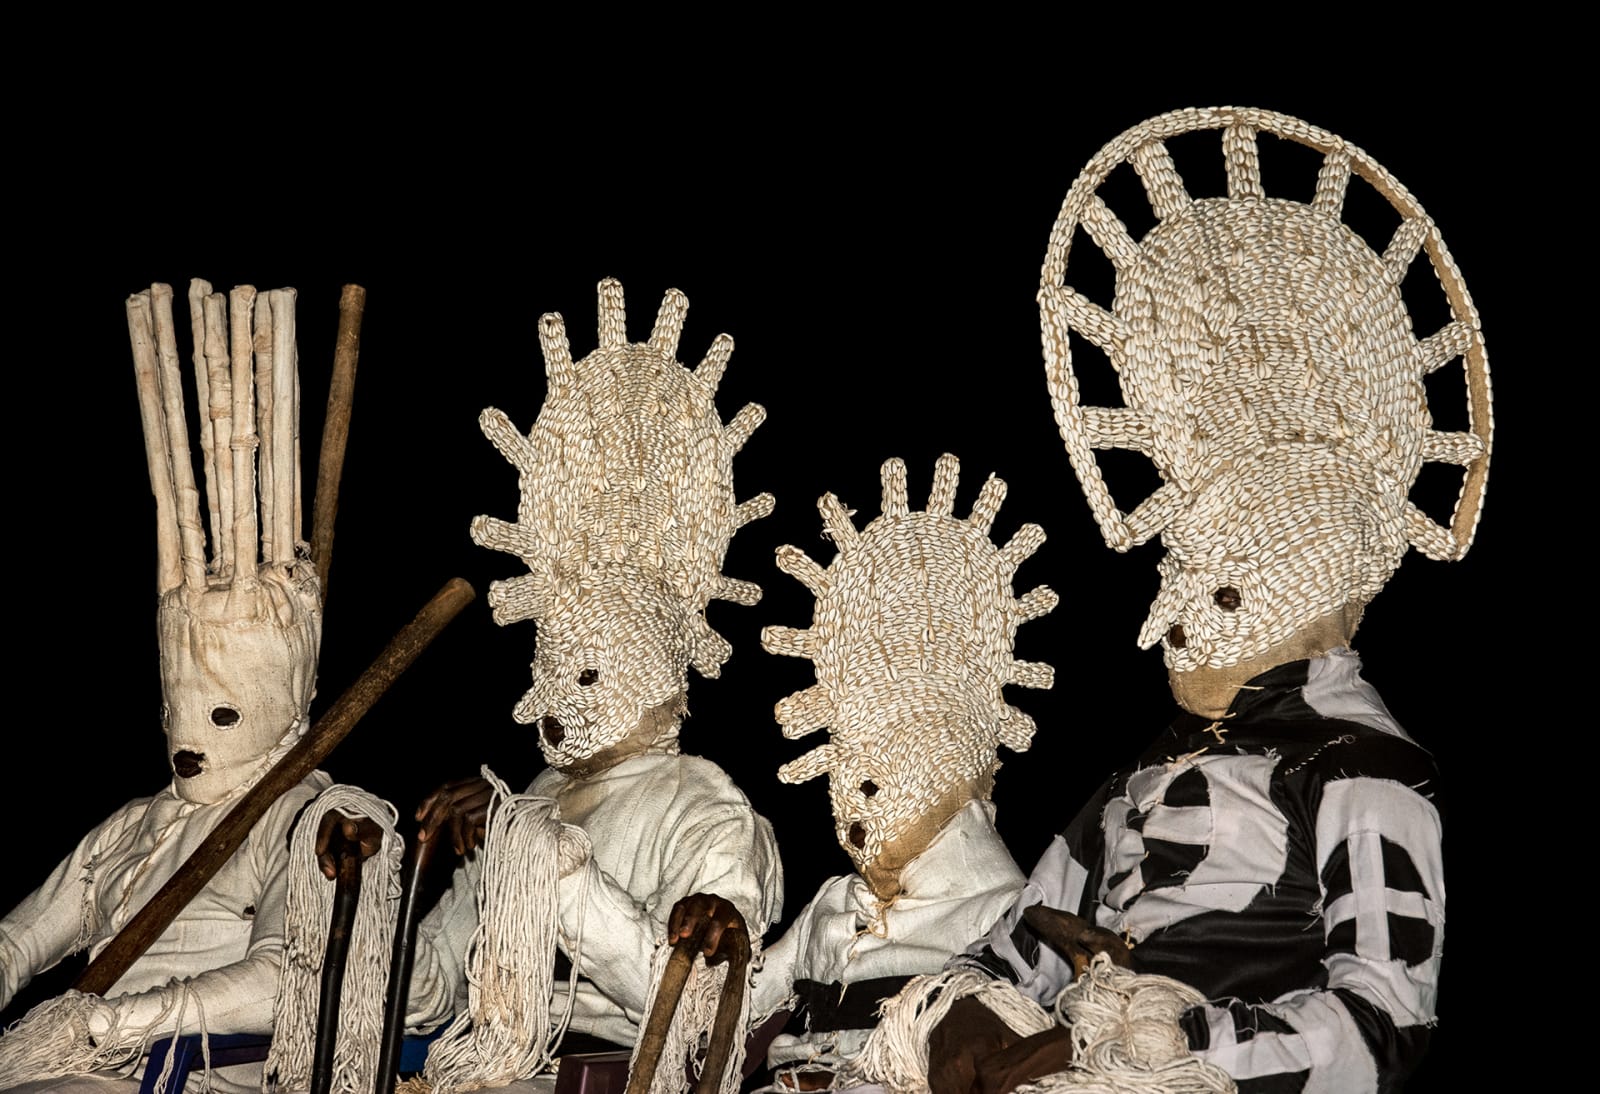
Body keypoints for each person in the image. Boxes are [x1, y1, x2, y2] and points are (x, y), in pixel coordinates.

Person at [915, 105, 1491, 1093]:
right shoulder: (1148, 766)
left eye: (1212, 581)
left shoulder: (1362, 764)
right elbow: (1017, 943)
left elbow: (1383, 1023)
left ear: (1302, 575)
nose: (1162, 622)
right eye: (1169, 577)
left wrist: (1172, 1047)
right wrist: (965, 1013)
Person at [392, 280, 784, 1081]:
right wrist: (398, 885)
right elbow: (430, 996)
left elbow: (696, 1004)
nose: (564, 696)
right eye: (551, 663)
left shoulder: (705, 805)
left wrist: (546, 858)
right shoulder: (531, 794)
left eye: (593, 668)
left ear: (655, 668)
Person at [0, 282, 332, 1093]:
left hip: (202, 1074)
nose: (190, 740)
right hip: (91, 1060)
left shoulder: (306, 815)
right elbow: (19, 940)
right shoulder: (134, 827)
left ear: (281, 706)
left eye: (221, 714)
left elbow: (285, 978)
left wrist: (109, 1022)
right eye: (173, 711)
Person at [671, 454, 1057, 1087]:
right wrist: (725, 943)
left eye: (890, 756)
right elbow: (722, 1014)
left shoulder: (1009, 917)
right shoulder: (834, 902)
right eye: (845, 763)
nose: (855, 795)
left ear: (951, 763)